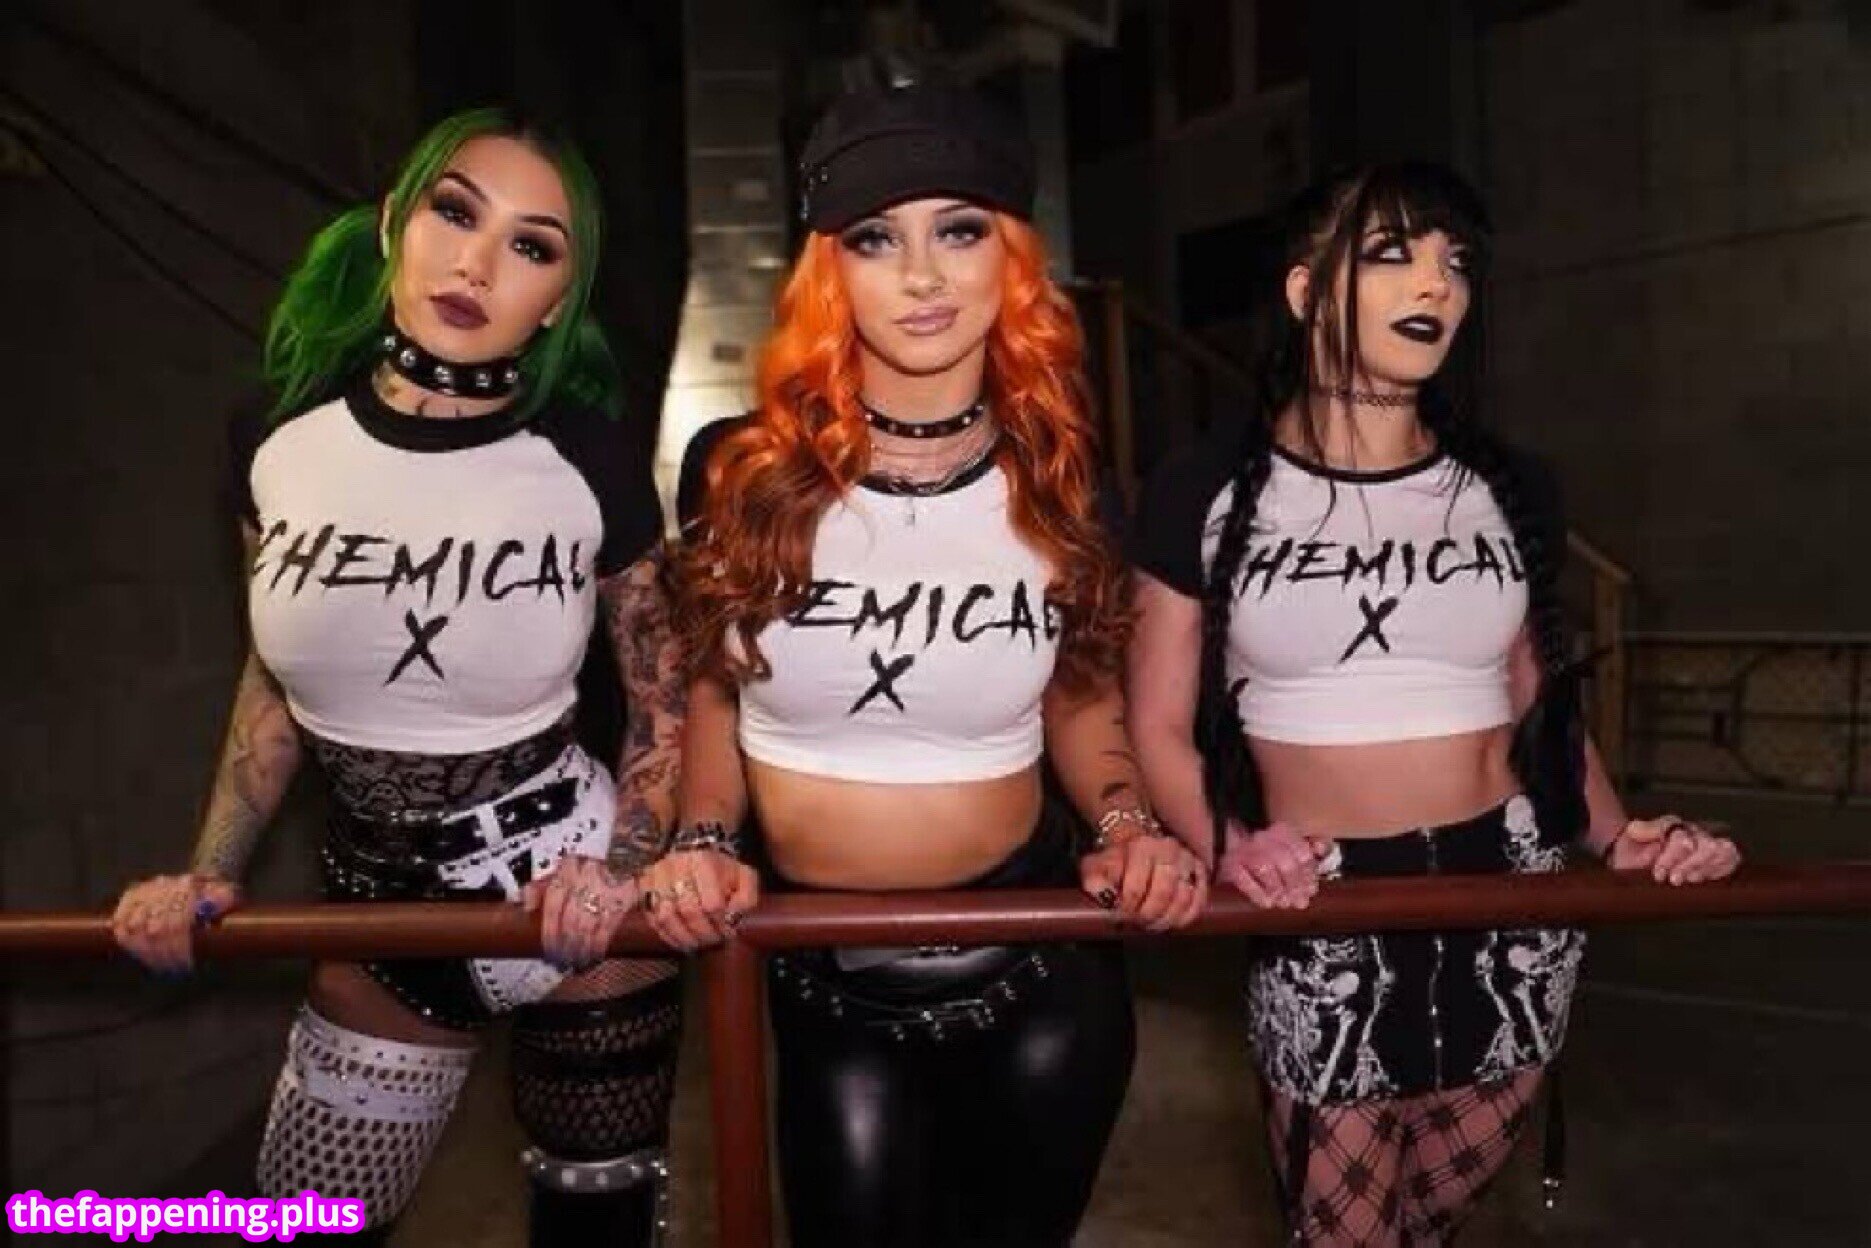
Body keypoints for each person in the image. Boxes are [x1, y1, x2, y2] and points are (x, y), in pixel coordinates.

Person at [1125, 161, 1742, 1245]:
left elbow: (1535, 702)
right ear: (1306, 291)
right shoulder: (1203, 487)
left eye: (1454, 262)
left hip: (1509, 889)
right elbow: (1156, 725)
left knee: (1429, 1226)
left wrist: (1616, 838)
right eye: (1391, 255)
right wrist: (1227, 844)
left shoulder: (1505, 485)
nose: (1436, 285)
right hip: (1319, 903)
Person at [645, 66, 1207, 1247]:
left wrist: (1124, 825)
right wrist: (699, 840)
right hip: (822, 983)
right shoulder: (738, 473)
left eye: (958, 230)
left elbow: (1080, 702)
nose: (919, 275)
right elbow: (714, 695)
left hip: (1043, 975)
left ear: (1010, 259)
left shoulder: (1062, 480)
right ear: (827, 269)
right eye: (873, 236)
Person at [110, 108, 686, 1246]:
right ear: (391, 225)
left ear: (557, 300)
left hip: (568, 889)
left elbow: (663, 705)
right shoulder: (275, 436)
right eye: (454, 213)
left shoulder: (588, 454)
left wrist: (623, 871)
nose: (476, 264)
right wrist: (210, 869)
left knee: (596, 1231)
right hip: (375, 906)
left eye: (531, 245)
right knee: (308, 1226)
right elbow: (271, 683)